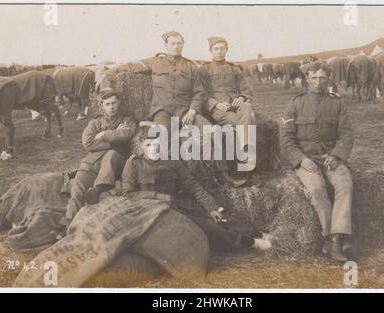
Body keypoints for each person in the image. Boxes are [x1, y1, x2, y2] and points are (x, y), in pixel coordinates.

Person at [120, 122, 272, 251]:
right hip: (156, 210)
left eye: (157, 144)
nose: (154, 148)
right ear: (140, 145)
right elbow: (127, 194)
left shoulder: (172, 161)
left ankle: (258, 233)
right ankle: (251, 244)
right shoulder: (133, 164)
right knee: (207, 226)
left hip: (177, 202)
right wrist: (158, 197)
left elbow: (193, 185)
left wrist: (212, 207)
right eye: (148, 145)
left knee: (219, 217)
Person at [134, 31, 245, 187]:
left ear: (183, 45)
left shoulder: (191, 67)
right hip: (163, 111)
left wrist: (193, 111)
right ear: (166, 45)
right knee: (160, 137)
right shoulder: (154, 62)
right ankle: (166, 181)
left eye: (179, 43)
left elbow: (200, 92)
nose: (176, 46)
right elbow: (132, 66)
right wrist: (110, 73)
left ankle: (224, 174)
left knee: (214, 131)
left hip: (186, 110)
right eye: (172, 43)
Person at [280, 63, 354, 262]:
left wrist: (337, 155)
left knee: (345, 184)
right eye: (314, 78)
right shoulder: (295, 103)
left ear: (328, 79)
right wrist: (301, 159)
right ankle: (330, 237)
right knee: (316, 189)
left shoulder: (336, 103)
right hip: (306, 159)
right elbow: (286, 139)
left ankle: (335, 239)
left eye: (322, 78)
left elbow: (346, 134)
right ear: (307, 79)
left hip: (330, 157)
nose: (318, 82)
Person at [65, 88, 137, 224]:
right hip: (91, 162)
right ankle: (69, 221)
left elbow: (127, 134)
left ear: (119, 102)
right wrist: (115, 137)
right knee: (77, 189)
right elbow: (87, 143)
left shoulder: (127, 119)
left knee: (111, 155)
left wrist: (104, 135)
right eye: (107, 104)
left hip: (115, 161)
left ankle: (99, 189)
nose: (111, 107)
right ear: (102, 106)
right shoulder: (95, 122)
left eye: (114, 103)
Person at [199, 37, 256, 169]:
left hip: (235, 105)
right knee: (243, 123)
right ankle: (242, 158)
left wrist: (242, 97)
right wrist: (216, 104)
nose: (219, 52)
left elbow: (246, 89)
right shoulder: (204, 70)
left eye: (222, 48)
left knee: (247, 106)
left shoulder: (234, 69)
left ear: (227, 50)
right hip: (218, 109)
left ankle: (245, 147)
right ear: (210, 51)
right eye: (216, 49)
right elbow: (200, 92)